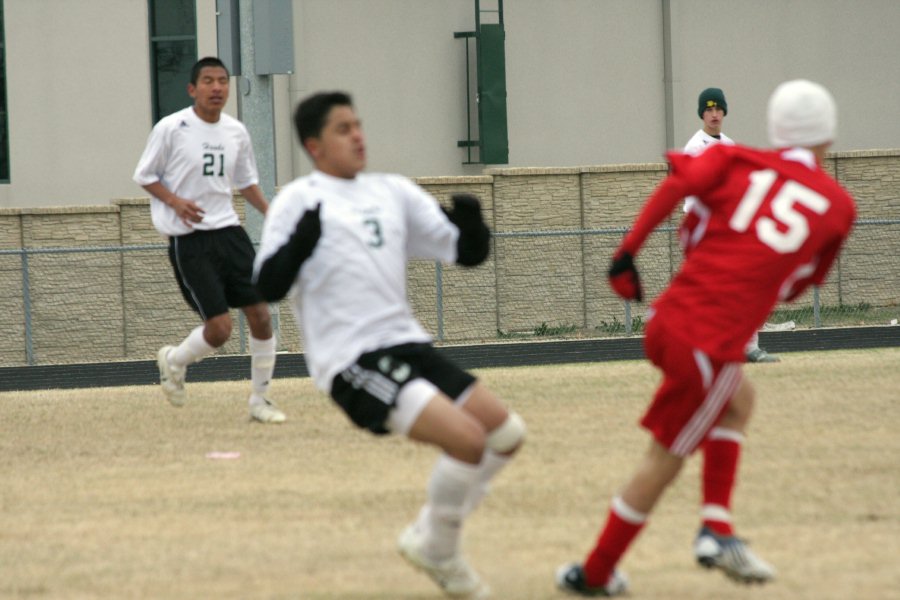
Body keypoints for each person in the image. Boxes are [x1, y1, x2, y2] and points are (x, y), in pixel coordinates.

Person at [557, 79, 856, 596]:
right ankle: (613, 567)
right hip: (706, 338)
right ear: (827, 137)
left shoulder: (736, 160)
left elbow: (677, 188)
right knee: (663, 459)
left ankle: (709, 527)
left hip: (670, 319)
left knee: (739, 399)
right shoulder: (836, 205)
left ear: (776, 129)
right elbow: (795, 287)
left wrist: (625, 253)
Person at [253, 91, 524, 598]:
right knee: (467, 440)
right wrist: (299, 244)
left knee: (506, 433)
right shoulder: (297, 201)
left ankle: (431, 538)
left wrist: (473, 226)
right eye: (342, 129)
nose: (357, 135)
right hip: (352, 360)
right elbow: (266, 285)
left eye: (358, 124)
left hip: (407, 345)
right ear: (314, 146)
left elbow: (465, 255)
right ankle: (442, 552)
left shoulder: (392, 191)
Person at [133, 57, 285, 424]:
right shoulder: (172, 128)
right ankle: (174, 360)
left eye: (222, 81)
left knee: (262, 314)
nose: (217, 87)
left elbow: (245, 182)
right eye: (208, 81)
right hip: (190, 240)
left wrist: (272, 210)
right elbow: (144, 175)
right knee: (220, 330)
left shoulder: (236, 132)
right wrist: (175, 201)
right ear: (192, 89)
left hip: (230, 233)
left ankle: (260, 401)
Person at [684, 87, 779, 363]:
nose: (714, 114)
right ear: (702, 113)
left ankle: (748, 346)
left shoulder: (727, 143)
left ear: (724, 111)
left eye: (718, 109)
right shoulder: (695, 147)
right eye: (708, 109)